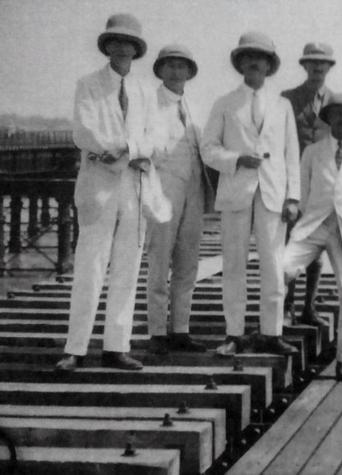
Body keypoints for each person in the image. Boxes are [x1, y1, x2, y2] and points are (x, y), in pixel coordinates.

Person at [56, 13, 158, 372]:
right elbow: (83, 132)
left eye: (128, 42)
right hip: (99, 184)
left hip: (134, 186)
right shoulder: (88, 84)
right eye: (115, 41)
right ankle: (76, 348)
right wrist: (114, 152)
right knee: (90, 265)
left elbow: (154, 136)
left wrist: (127, 147)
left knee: (128, 268)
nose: (122, 47)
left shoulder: (146, 90)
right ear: (107, 46)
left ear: (136, 48)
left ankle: (117, 346)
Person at [201, 31, 301, 357]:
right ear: (240, 63)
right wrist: (235, 160)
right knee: (234, 265)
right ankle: (235, 334)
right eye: (249, 57)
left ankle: (272, 333)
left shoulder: (282, 105)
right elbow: (208, 149)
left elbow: (291, 154)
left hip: (273, 194)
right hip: (236, 192)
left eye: (261, 57)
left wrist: (293, 198)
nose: (255, 62)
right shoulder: (225, 103)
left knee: (273, 265)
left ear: (269, 65)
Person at [283, 93, 342, 382]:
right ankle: (271, 334)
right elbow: (300, 187)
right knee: (282, 269)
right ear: (328, 119)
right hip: (314, 225)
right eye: (336, 114)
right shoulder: (312, 151)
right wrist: (298, 211)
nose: (341, 119)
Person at [145, 44, 212, 355]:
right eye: (169, 65)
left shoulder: (196, 105)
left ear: (189, 71)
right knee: (159, 260)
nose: (175, 70)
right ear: (160, 70)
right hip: (163, 190)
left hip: (195, 190)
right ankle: (157, 331)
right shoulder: (148, 102)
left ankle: (181, 330)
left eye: (181, 65)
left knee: (188, 262)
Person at [280, 41, 336, 328]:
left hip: (323, 188)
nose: (317, 67)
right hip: (294, 185)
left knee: (317, 251)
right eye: (312, 62)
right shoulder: (287, 98)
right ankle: (285, 307)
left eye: (322, 63)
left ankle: (308, 309)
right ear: (304, 66)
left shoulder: (338, 103)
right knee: (290, 245)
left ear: (329, 67)